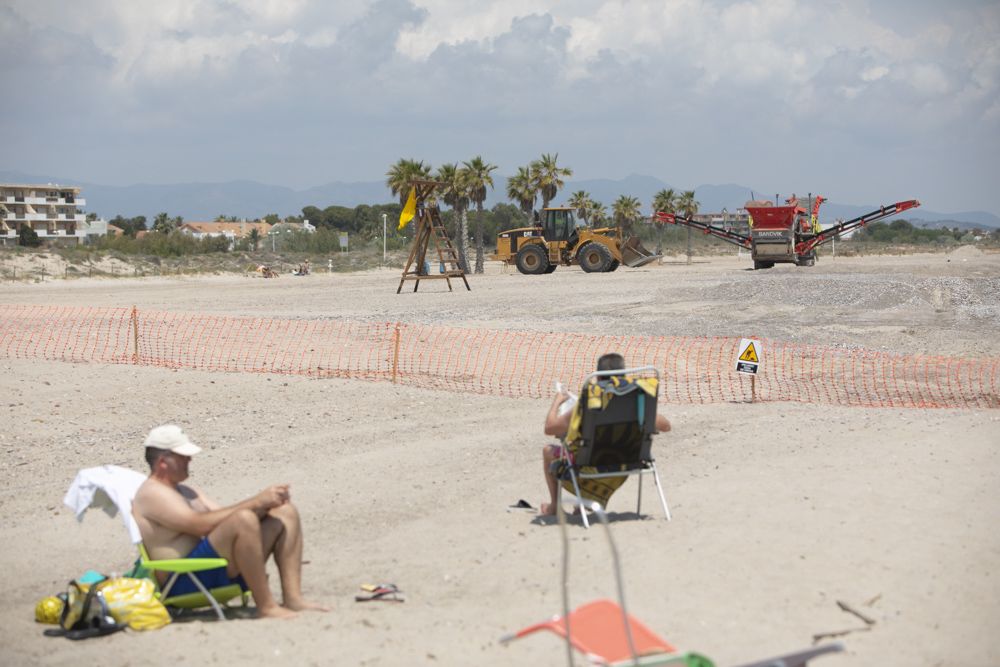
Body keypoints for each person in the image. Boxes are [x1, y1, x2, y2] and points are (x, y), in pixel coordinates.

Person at [132, 424, 327, 619]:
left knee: (285, 512)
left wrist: (266, 504)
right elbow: (198, 525)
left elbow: (223, 518)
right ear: (163, 461)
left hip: (212, 568)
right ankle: (266, 606)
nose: (189, 459)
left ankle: (293, 598)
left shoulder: (187, 491)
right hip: (183, 580)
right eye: (182, 456)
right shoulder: (152, 493)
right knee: (243, 519)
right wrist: (256, 501)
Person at [540, 353, 671, 516]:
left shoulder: (588, 404)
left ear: (598, 378)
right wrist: (648, 413)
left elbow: (550, 427)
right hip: (628, 461)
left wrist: (557, 401)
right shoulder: (636, 403)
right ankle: (586, 503)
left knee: (548, 451)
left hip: (589, 464)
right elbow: (666, 426)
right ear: (623, 375)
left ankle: (555, 506)